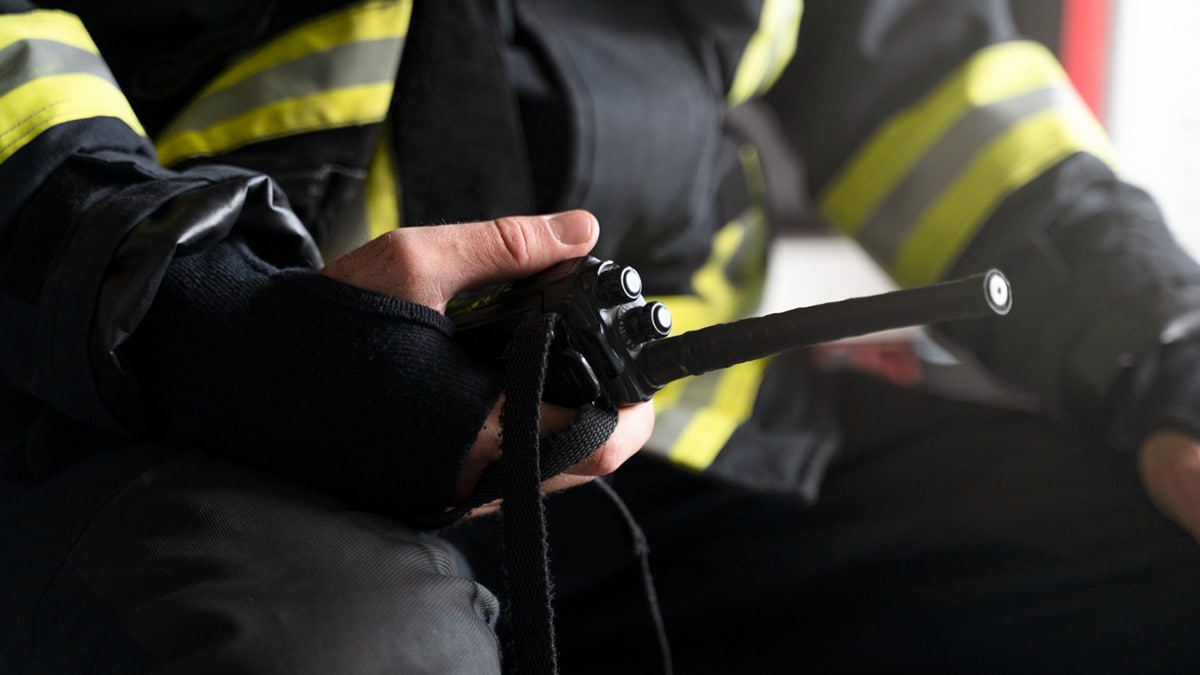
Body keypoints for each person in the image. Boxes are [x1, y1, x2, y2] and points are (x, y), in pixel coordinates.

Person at [2, 0, 1200, 672]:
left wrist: (1163, 347)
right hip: (182, 416)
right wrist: (195, 305)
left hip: (687, 445)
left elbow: (925, 80)